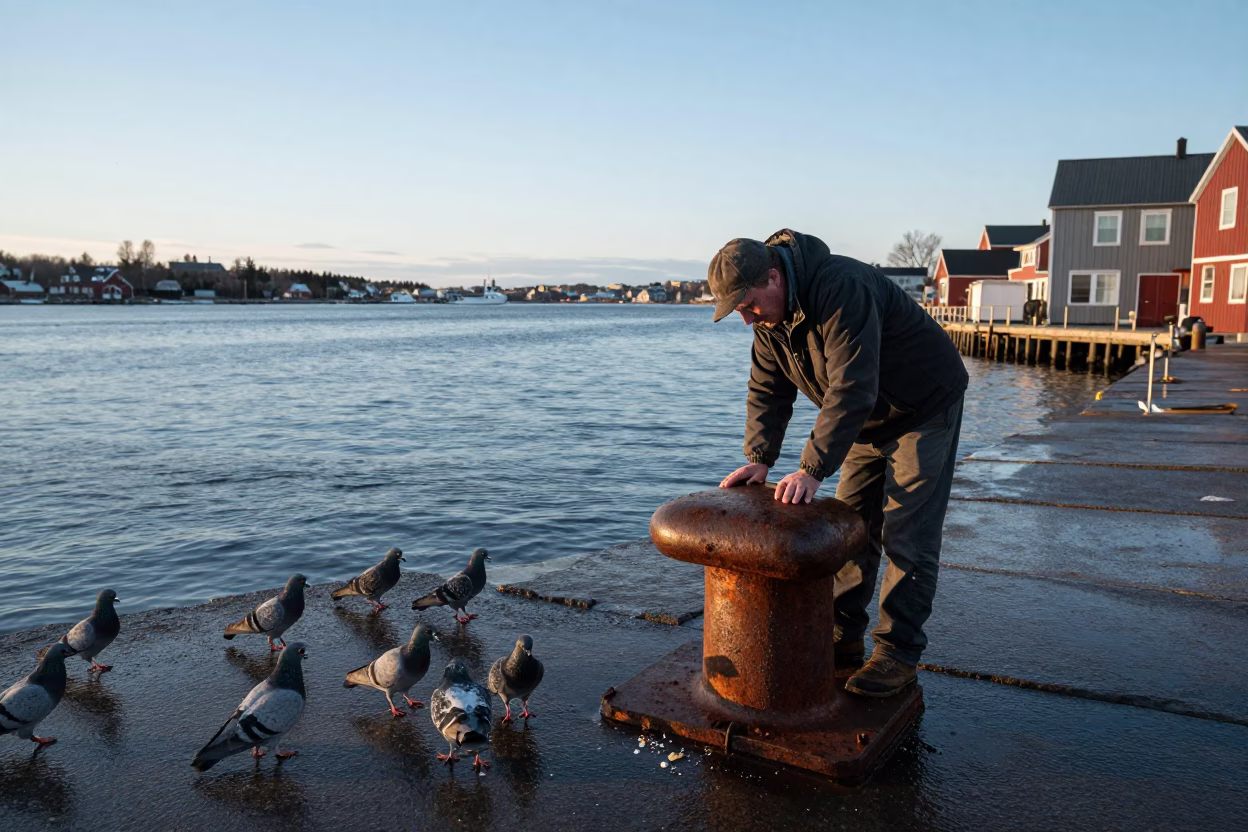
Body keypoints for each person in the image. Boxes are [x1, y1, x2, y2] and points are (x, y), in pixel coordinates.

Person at [710, 230, 967, 699]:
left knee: (909, 532)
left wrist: (810, 468)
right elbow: (768, 389)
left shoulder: (842, 287)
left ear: (773, 276)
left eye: (747, 305)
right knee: (849, 527)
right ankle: (841, 632)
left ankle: (896, 654)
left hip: (923, 409)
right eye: (737, 312)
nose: (746, 319)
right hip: (867, 420)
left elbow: (852, 387)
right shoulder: (772, 322)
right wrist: (759, 459)